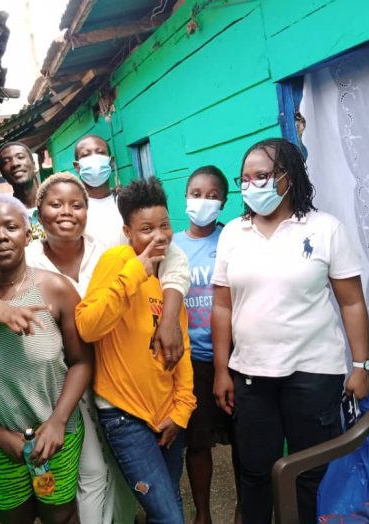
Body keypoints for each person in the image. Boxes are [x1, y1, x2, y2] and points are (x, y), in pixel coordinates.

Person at [211, 138, 369, 524]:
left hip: (314, 374)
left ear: (289, 176)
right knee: (254, 472)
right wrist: (221, 369)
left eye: (262, 176)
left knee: (309, 473)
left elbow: (352, 302)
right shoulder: (233, 233)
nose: (252, 186)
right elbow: (222, 306)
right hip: (251, 373)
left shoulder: (326, 229)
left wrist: (361, 365)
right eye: (245, 179)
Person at [0, 194, 93, 524]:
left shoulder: (57, 290)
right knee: (14, 518)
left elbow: (81, 362)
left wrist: (58, 422)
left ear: (28, 235)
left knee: (61, 516)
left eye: (11, 227)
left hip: (56, 435)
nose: (1, 236)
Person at [75, 177, 196, 524]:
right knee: (169, 516)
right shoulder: (117, 260)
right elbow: (88, 326)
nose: (159, 236)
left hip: (168, 413)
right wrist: (133, 274)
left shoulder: (169, 275)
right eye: (146, 229)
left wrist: (182, 410)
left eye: (164, 225)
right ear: (128, 232)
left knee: (169, 503)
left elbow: (182, 347)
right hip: (125, 415)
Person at [73, 134, 189, 369]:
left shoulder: (127, 204)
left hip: (130, 314)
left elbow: (173, 259)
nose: (94, 159)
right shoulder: (74, 209)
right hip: (90, 311)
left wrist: (169, 319)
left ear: (111, 161)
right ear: (77, 166)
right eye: (86, 155)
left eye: (99, 152)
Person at [172, 166, 241, 524]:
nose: (204, 201)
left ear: (224, 202)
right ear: (185, 197)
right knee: (197, 442)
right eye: (196, 194)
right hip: (192, 359)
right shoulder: (172, 246)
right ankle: (202, 515)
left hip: (236, 355)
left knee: (244, 440)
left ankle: (244, 509)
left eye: (213, 196)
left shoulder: (233, 239)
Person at [0, 141, 45, 239]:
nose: (15, 164)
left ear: (34, 165)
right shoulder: (3, 219)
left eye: (20, 157)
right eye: (6, 162)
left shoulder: (58, 207)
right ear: (3, 175)